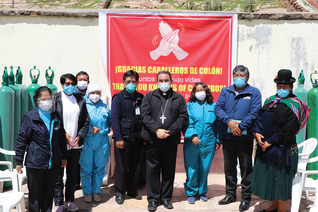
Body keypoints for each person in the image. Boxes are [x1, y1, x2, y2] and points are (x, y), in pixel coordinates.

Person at [251, 69, 310, 212]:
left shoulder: (296, 105)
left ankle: (282, 208)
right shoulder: (270, 100)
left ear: (291, 88)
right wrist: (257, 133)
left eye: (284, 87)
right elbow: (258, 117)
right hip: (266, 148)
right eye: (279, 87)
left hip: (284, 149)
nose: (281, 89)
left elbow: (289, 129)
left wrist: (270, 141)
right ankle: (274, 204)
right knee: (271, 179)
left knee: (281, 180)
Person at [215, 65, 262, 211]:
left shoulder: (254, 92)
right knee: (229, 167)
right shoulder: (226, 90)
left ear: (247, 77)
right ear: (232, 76)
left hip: (245, 137)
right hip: (228, 136)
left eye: (242, 75)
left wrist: (240, 127)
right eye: (236, 75)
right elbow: (218, 108)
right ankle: (230, 194)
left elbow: (254, 112)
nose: (239, 78)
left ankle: (246, 198)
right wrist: (229, 121)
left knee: (246, 168)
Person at [141, 70, 188, 211]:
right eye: (160, 81)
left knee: (168, 171)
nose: (163, 83)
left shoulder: (178, 98)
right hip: (153, 140)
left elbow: (182, 117)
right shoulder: (149, 96)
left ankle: (166, 198)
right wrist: (157, 130)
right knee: (152, 171)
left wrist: (169, 132)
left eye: (166, 80)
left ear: (171, 81)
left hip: (170, 141)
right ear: (157, 82)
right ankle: (153, 199)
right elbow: (145, 116)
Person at [15, 86, 68, 212]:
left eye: (49, 98)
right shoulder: (30, 117)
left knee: (48, 194)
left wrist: (64, 156)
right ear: (37, 100)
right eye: (43, 99)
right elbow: (22, 139)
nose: (46, 101)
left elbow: (61, 138)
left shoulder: (55, 116)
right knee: (35, 195)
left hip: (53, 163)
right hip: (36, 163)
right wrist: (19, 161)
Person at [54, 73, 90, 212]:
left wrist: (79, 136)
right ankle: (58, 203)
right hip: (60, 144)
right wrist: (65, 135)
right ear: (62, 85)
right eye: (67, 84)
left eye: (72, 84)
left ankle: (70, 200)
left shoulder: (80, 100)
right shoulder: (56, 99)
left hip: (76, 144)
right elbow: (54, 120)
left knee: (72, 174)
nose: (70, 86)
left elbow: (86, 121)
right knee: (58, 176)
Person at [183, 82, 222, 204]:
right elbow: (187, 122)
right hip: (192, 142)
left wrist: (217, 139)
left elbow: (218, 125)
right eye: (197, 90)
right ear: (194, 93)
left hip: (208, 142)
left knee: (205, 168)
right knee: (192, 168)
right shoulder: (189, 105)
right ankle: (191, 192)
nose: (200, 92)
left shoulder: (214, 106)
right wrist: (193, 135)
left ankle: (202, 191)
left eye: (202, 89)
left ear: (206, 91)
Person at [111, 70, 144, 204]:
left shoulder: (141, 98)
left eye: (133, 82)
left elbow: (144, 118)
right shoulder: (118, 98)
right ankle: (119, 192)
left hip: (137, 138)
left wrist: (144, 137)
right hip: (123, 139)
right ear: (123, 83)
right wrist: (119, 138)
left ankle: (132, 190)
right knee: (121, 167)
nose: (131, 84)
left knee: (135, 166)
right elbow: (115, 119)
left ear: (137, 83)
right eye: (128, 81)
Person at [79, 83, 111, 203]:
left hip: (101, 141)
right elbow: (80, 123)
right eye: (93, 93)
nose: (95, 95)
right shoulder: (83, 106)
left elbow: (110, 123)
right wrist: (89, 130)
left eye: (98, 93)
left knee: (99, 168)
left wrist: (102, 130)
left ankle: (96, 191)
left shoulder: (105, 107)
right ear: (88, 94)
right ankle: (87, 192)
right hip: (87, 141)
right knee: (86, 168)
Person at [74, 71, 90, 191]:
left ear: (88, 82)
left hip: (88, 133)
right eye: (80, 80)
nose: (82, 82)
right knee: (75, 161)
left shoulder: (92, 94)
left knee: (86, 161)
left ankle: (86, 184)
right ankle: (75, 184)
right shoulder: (72, 95)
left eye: (84, 79)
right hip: (75, 132)